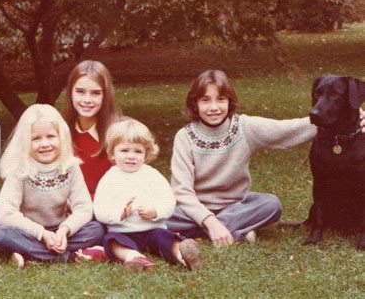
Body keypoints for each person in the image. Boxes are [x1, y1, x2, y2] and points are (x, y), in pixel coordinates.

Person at [166, 69, 365, 248]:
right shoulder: (184, 137)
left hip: (237, 206)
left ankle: (205, 231)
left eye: (220, 100)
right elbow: (181, 191)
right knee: (164, 213)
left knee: (271, 205)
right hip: (195, 208)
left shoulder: (244, 127)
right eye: (205, 100)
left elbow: (290, 129)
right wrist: (210, 221)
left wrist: (357, 116)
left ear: (229, 101)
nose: (214, 107)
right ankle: (227, 230)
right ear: (195, 103)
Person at [0, 104, 104, 268]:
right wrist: (41, 234)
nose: (44, 144)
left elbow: (84, 207)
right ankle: (67, 257)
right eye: (36, 138)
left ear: (62, 137)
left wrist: (65, 230)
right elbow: (5, 214)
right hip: (29, 231)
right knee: (1, 235)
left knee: (96, 229)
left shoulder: (70, 167)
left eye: (51, 136)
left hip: (60, 229)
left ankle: (34, 255)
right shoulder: (19, 170)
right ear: (25, 142)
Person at [94, 119, 203, 272]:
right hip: (121, 232)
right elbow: (99, 209)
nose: (131, 156)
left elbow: (168, 201)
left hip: (152, 229)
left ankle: (182, 254)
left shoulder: (152, 175)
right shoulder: (109, 178)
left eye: (138, 151)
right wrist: (118, 214)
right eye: (124, 150)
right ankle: (132, 258)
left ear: (146, 154)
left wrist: (156, 211)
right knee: (111, 241)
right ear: (112, 153)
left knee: (165, 237)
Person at [64, 60, 121, 198]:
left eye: (95, 93)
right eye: (80, 92)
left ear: (105, 95)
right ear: (70, 92)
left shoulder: (119, 134)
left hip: (107, 209)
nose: (87, 99)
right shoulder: (60, 132)